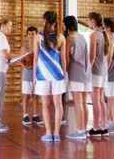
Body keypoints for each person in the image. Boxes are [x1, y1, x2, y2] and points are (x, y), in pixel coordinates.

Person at [33, 11, 66, 142]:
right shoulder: (61, 37)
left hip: (42, 74)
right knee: (58, 104)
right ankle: (56, 133)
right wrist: (65, 75)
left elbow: (35, 58)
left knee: (45, 104)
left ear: (45, 21)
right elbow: (63, 59)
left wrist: (34, 76)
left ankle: (48, 133)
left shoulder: (37, 36)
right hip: (58, 74)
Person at [0, 17, 20, 132]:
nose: (11, 28)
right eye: (10, 25)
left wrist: (17, 58)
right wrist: (19, 54)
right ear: (3, 26)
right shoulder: (1, 37)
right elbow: (6, 55)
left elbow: (5, 57)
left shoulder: (0, 37)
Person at [64, 15, 91, 140]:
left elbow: (67, 60)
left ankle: (79, 130)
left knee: (78, 103)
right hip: (86, 73)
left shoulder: (69, 40)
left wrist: (64, 72)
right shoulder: (83, 38)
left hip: (75, 73)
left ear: (67, 25)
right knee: (84, 103)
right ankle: (84, 129)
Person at [87, 12, 109, 137]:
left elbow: (92, 57)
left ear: (93, 21)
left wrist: (86, 69)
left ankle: (95, 127)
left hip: (96, 71)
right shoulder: (104, 34)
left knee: (96, 100)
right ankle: (104, 126)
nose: (88, 23)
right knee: (101, 99)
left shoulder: (94, 35)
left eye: (89, 21)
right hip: (103, 71)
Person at [21, 26, 43, 126]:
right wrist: (26, 64)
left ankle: (35, 115)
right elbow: (20, 61)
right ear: (27, 35)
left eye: (33, 34)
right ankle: (25, 115)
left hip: (37, 73)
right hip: (27, 73)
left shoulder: (39, 46)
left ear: (36, 35)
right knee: (26, 95)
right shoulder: (24, 47)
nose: (31, 36)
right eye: (29, 34)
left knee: (35, 96)